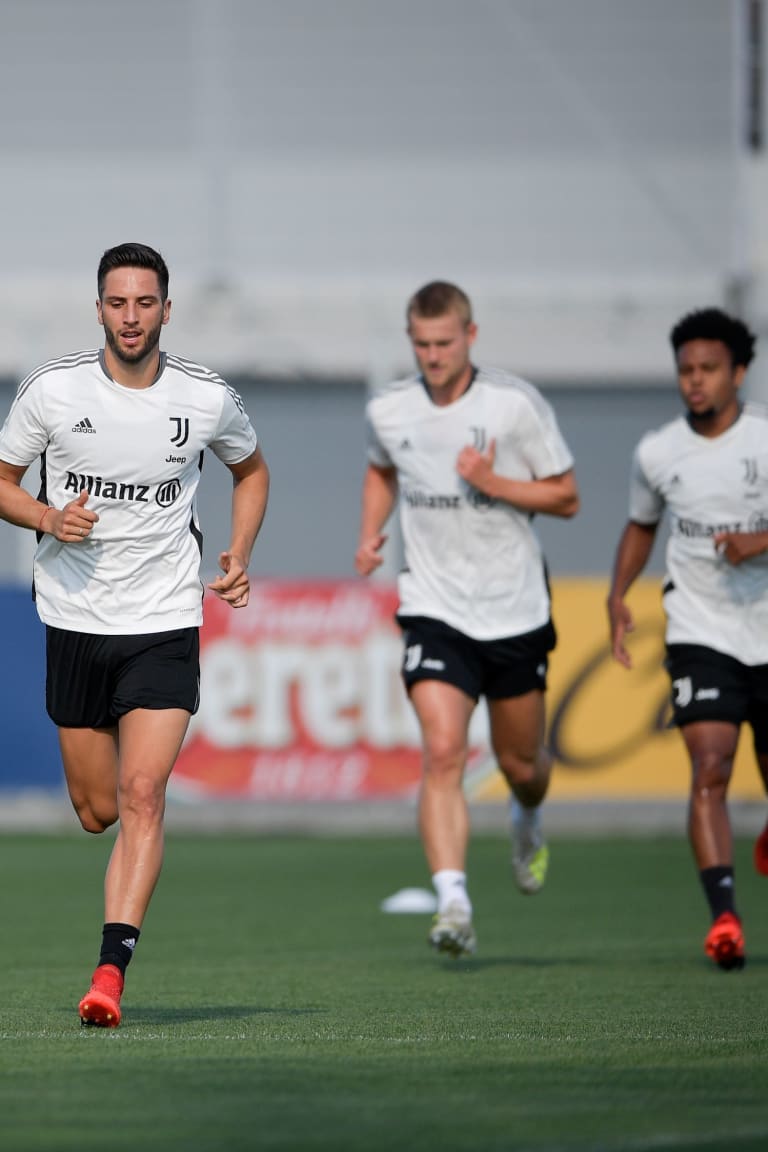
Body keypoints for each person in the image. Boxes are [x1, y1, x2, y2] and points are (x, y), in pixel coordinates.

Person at [0, 242, 269, 1025]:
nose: (130, 317)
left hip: (165, 616)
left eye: (144, 303)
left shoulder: (205, 398)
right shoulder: (51, 391)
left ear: (165, 310)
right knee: (97, 810)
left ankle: (110, 974)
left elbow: (251, 471)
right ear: (99, 310)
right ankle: (107, 825)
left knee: (143, 793)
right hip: (77, 618)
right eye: (117, 303)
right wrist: (50, 516)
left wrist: (240, 552)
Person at [355, 281, 579, 956]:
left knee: (521, 765)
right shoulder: (389, 410)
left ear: (471, 336)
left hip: (513, 609)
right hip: (434, 607)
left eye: (445, 343)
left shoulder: (513, 405)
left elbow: (566, 496)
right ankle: (453, 901)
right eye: (421, 344)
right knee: (444, 751)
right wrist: (371, 532)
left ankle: (528, 815)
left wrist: (495, 482)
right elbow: (381, 470)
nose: (433, 356)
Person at [607, 307, 768, 971]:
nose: (694, 381)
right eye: (685, 371)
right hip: (700, 631)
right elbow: (642, 525)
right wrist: (618, 595)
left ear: (739, 372)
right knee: (710, 768)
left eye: (707, 369)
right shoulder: (658, 451)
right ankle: (724, 917)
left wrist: (760, 541)